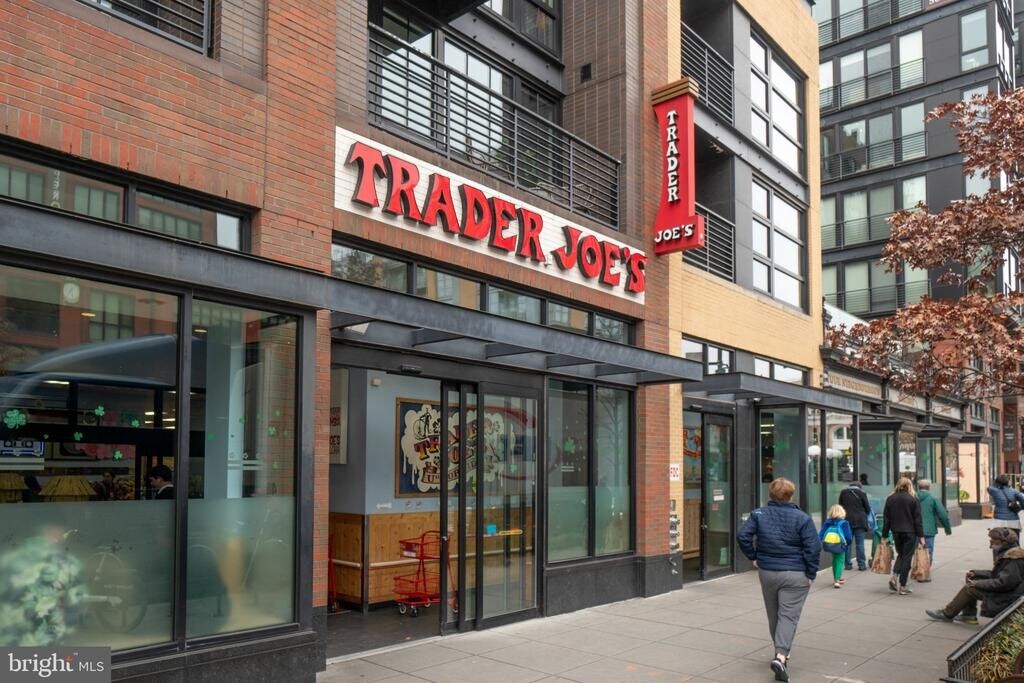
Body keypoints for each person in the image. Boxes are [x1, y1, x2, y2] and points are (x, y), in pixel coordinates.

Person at [738, 477, 822, 682]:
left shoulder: (759, 514)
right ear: (791, 495)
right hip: (795, 572)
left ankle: (780, 651)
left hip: (767, 570)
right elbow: (813, 547)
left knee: (773, 614)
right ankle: (781, 656)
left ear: (770, 494)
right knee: (788, 615)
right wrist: (811, 573)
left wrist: (753, 556)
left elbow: (742, 535)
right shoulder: (802, 518)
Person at [926, 527, 1024, 625]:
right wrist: (976, 573)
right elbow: (997, 574)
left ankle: (947, 614)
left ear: (1004, 542)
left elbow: (1004, 583)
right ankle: (968, 615)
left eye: (993, 539)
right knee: (972, 578)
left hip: (1008, 596)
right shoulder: (1008, 552)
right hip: (1006, 591)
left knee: (970, 588)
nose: (991, 542)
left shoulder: (1014, 558)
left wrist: (978, 584)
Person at [881, 477, 925, 596]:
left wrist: (884, 535)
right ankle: (903, 586)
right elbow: (918, 520)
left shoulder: (890, 498)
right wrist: (921, 536)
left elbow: (886, 519)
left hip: (896, 532)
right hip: (910, 532)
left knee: (901, 555)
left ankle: (894, 577)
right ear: (909, 485)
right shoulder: (913, 499)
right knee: (907, 558)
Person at [838, 479, 873, 571]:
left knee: (847, 543)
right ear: (859, 487)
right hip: (860, 521)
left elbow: (840, 506)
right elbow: (868, 508)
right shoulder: (862, 493)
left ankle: (847, 565)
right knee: (860, 544)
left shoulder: (843, 493)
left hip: (847, 521)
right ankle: (861, 565)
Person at [917, 478, 951, 569]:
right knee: (928, 551)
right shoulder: (933, 498)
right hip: (928, 530)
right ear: (929, 487)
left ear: (918, 487)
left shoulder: (913, 497)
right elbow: (943, 515)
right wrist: (947, 529)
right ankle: (925, 571)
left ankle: (917, 569)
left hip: (914, 530)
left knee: (915, 551)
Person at [819, 504, 853, 589]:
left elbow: (821, 534)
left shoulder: (827, 522)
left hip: (830, 544)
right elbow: (848, 536)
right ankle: (837, 580)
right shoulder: (844, 523)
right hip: (840, 545)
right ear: (842, 512)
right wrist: (848, 543)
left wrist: (821, 541)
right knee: (840, 561)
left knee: (835, 560)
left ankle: (837, 577)